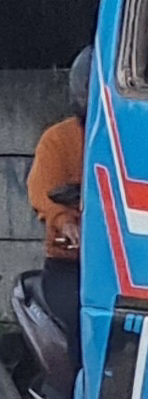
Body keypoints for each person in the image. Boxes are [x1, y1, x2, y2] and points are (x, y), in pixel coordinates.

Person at [27, 48, 89, 381]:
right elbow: (42, 193)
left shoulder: (131, 141)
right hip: (69, 268)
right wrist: (64, 219)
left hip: (122, 268)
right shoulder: (57, 140)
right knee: (82, 327)